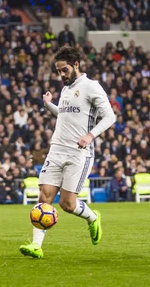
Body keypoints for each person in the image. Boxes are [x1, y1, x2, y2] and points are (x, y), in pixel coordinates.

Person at [19, 46, 116, 258]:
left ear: (76, 65)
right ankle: (36, 245)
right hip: (56, 150)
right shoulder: (65, 90)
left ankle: (92, 218)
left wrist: (90, 136)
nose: (61, 75)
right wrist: (49, 105)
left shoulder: (92, 87)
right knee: (44, 196)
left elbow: (110, 117)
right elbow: (64, 115)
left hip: (78, 153)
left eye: (64, 70)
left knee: (67, 204)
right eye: (58, 71)